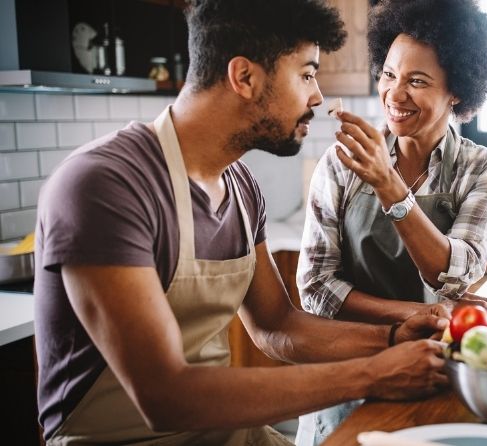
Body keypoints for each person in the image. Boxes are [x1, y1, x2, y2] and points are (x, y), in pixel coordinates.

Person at [33, 1, 448, 444]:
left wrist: (393, 338)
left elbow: (277, 326)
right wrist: (372, 374)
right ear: (244, 78)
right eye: (306, 74)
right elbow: (163, 395)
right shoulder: (105, 185)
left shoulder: (240, 186)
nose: (317, 97)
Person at [296, 0, 487, 443]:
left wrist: (390, 186)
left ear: (457, 91)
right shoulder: (340, 164)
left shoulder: (480, 170)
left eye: (417, 81)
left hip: (437, 368)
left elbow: (454, 275)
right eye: (388, 74)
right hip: (353, 370)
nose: (394, 94)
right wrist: (415, 314)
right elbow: (315, 287)